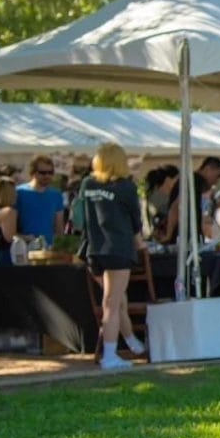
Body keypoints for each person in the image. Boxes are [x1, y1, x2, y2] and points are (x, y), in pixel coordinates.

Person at [73, 143, 145, 369]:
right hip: (118, 247)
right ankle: (110, 355)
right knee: (112, 303)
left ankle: (133, 343)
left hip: (93, 248)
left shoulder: (87, 183)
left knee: (116, 299)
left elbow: (81, 218)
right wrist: (140, 243)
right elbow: (135, 220)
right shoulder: (125, 186)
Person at [15, 155, 65, 240]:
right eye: (43, 172)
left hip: (48, 248)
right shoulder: (19, 192)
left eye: (50, 172)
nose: (47, 176)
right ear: (33, 172)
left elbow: (59, 226)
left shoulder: (56, 194)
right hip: (23, 247)